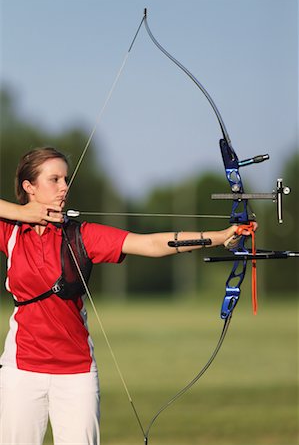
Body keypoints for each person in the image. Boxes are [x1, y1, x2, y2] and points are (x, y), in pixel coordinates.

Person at [0, 147, 255, 445]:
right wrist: (21, 213)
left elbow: (151, 244)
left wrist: (221, 236)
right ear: (29, 187)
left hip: (76, 372)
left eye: (66, 179)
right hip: (21, 369)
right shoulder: (11, 231)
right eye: (54, 179)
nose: (64, 187)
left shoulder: (82, 235)